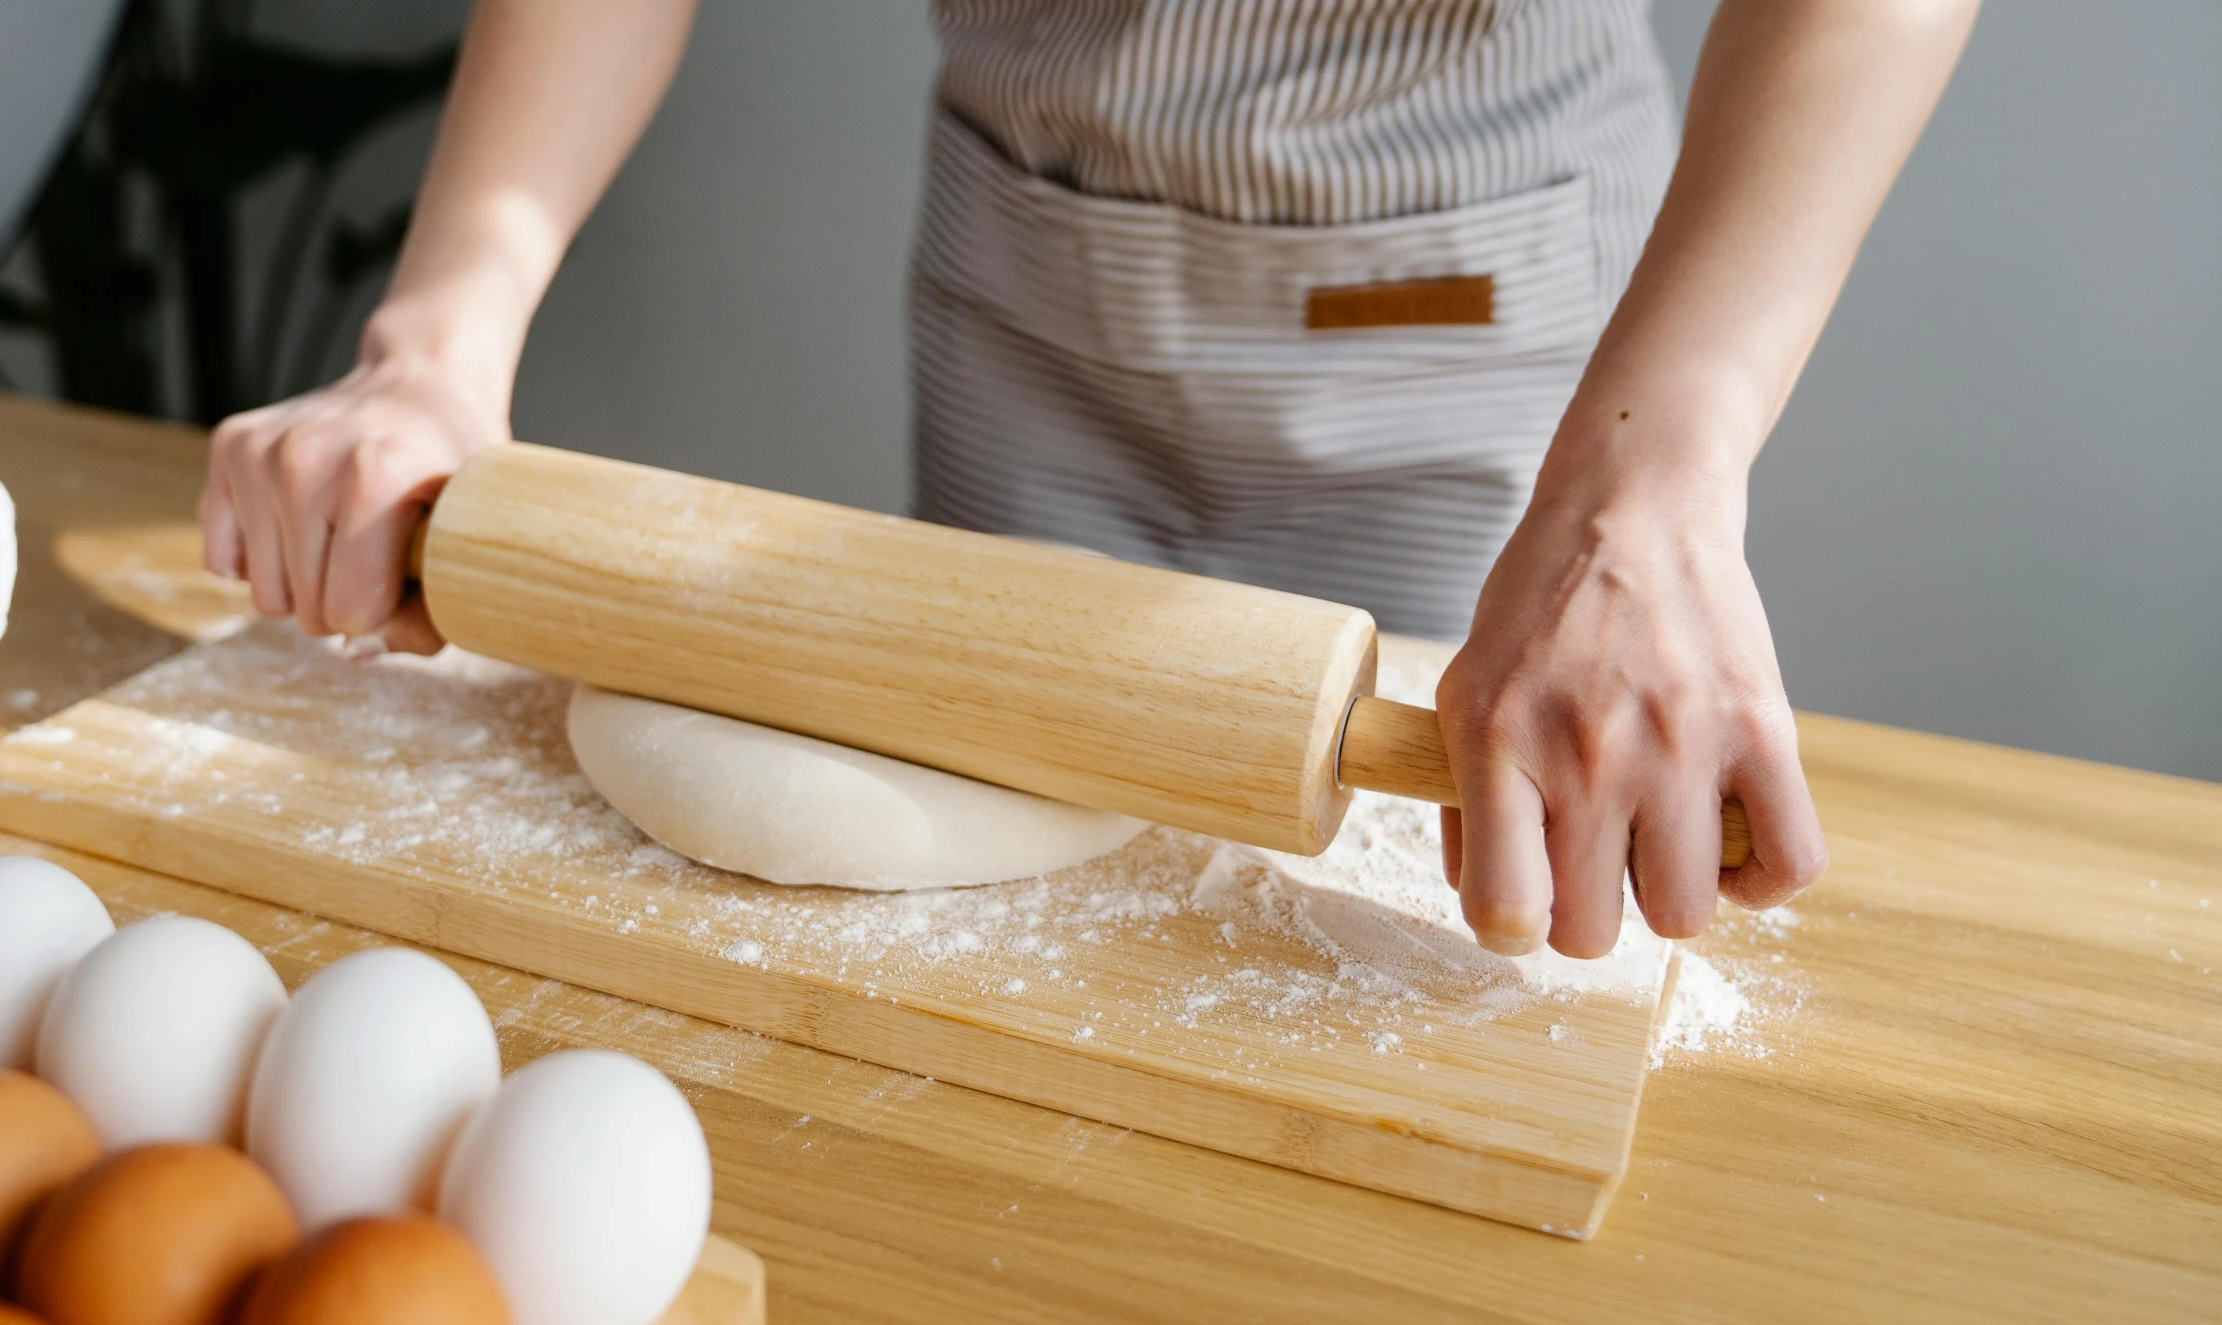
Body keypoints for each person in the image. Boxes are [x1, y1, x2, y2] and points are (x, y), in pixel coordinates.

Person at [200, 0, 1977, 960]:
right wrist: (439, 331)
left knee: (1439, 942)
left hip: (1455, 299)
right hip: (1032, 280)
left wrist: (1645, 493)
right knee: (1012, 914)